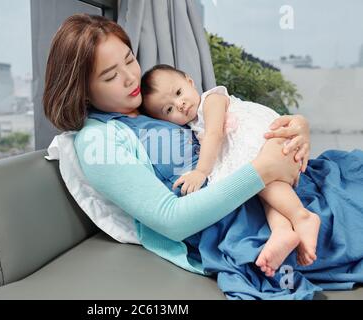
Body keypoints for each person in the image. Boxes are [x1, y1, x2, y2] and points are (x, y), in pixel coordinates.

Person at [42, 14, 310, 279]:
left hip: (272, 192)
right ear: (83, 90)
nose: (131, 79)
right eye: (111, 76)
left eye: (129, 60)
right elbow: (172, 220)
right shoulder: (97, 141)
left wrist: (296, 128)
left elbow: (223, 121)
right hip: (249, 219)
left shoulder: (147, 107)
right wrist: (262, 170)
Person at [139, 64, 321, 276]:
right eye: (168, 110)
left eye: (178, 93)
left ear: (189, 81)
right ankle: (282, 231)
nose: (179, 105)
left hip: (266, 139)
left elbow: (215, 133)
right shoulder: (191, 125)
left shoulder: (211, 99)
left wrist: (201, 172)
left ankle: (302, 217)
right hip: (263, 155)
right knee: (261, 187)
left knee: (259, 175)